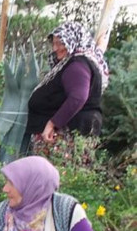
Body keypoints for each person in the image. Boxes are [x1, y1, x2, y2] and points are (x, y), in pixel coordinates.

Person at [23, 21, 109, 155]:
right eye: (54, 43)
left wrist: (52, 123)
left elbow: (78, 97)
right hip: (68, 130)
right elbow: (97, 55)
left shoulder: (77, 65)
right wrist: (100, 47)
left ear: (73, 41)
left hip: (64, 134)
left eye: (60, 43)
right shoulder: (83, 60)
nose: (55, 48)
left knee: (54, 172)